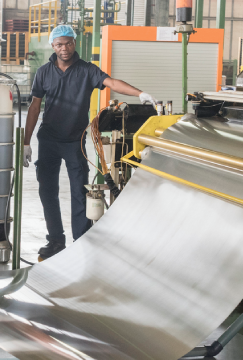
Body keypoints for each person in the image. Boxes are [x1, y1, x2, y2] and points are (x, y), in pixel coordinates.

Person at [24, 24, 155, 260]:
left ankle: (80, 239)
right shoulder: (43, 72)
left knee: (79, 191)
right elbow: (34, 107)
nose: (65, 48)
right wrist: (26, 142)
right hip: (49, 140)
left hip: (75, 140)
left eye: (69, 43)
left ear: (75, 43)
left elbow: (112, 83)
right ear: (53, 46)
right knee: (47, 191)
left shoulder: (87, 71)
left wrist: (140, 94)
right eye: (59, 44)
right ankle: (55, 240)